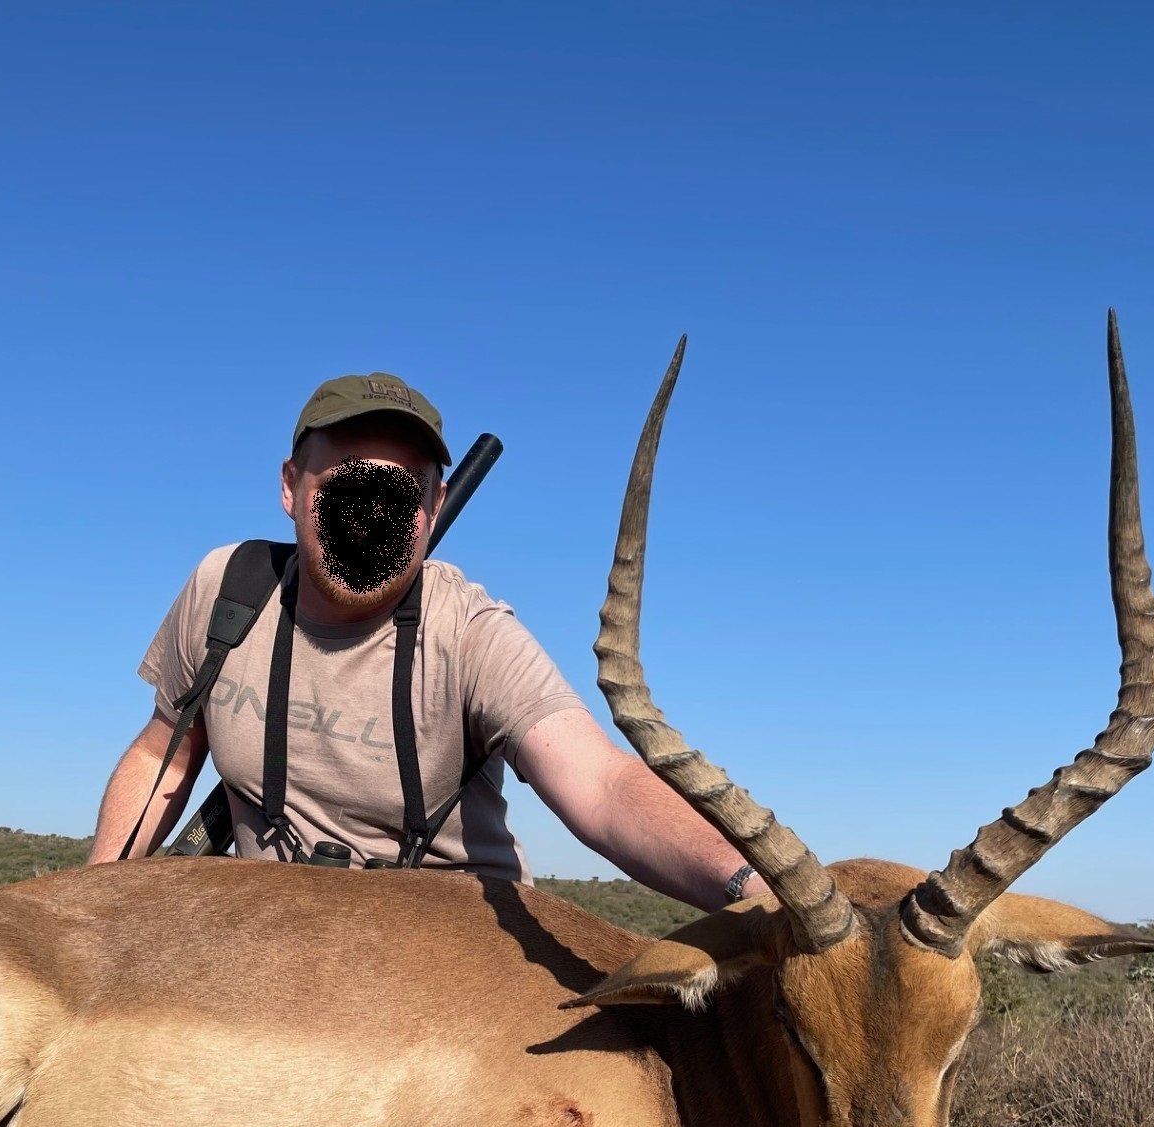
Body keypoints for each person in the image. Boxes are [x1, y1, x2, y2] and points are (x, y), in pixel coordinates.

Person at [86, 370, 768, 912]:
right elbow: (162, 758)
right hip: (276, 943)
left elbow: (602, 785)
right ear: (292, 487)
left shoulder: (471, 634)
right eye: (347, 481)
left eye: (402, 491)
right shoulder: (225, 591)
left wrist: (748, 887)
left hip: (447, 957)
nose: (371, 513)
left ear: (434, 508)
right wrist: (91, 907)